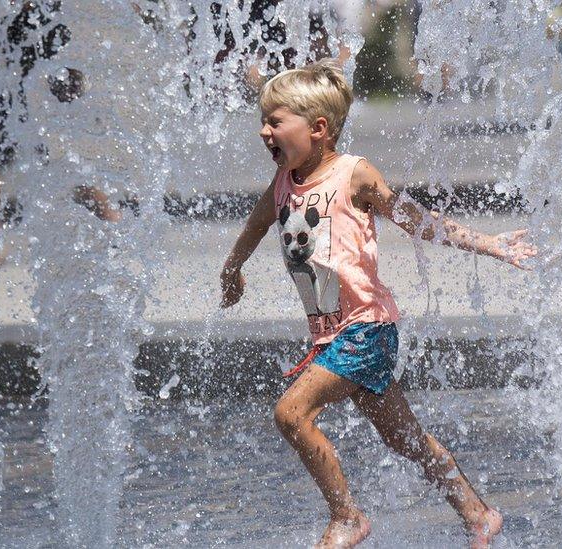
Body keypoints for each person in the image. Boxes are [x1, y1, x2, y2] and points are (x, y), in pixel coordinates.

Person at [219, 60, 535, 548]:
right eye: (264, 120)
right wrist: (231, 268)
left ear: (319, 129)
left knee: (291, 414)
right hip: (332, 335)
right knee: (402, 437)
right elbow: (257, 224)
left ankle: (347, 517)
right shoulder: (283, 182)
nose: (264, 131)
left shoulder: (353, 175)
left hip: (365, 329)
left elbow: (417, 220)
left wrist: (489, 244)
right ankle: (478, 513)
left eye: (275, 122)